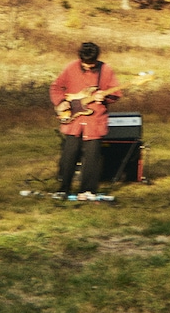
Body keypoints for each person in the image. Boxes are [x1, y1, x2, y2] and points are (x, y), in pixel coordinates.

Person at [50, 42, 119, 199]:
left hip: (95, 122)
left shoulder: (106, 70)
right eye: (85, 65)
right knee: (69, 155)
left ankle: (87, 191)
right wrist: (61, 102)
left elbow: (117, 92)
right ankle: (63, 188)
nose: (88, 67)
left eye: (91, 65)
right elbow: (55, 87)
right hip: (73, 122)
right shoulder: (70, 68)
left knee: (92, 158)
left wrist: (106, 97)